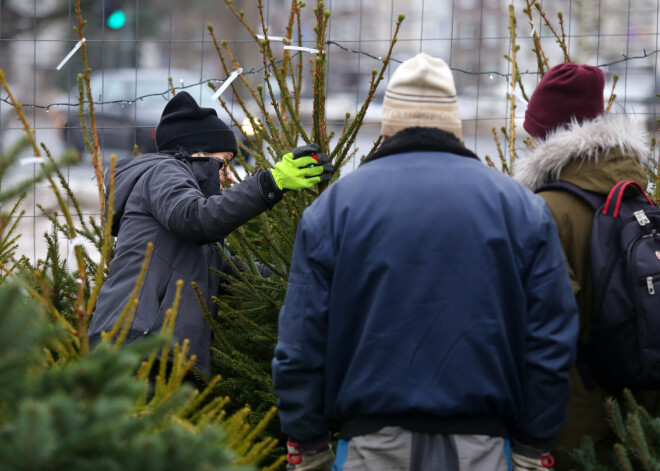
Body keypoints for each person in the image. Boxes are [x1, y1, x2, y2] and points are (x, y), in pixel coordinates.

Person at [272, 53, 579, 471]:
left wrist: (307, 442)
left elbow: (301, 340)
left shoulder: (335, 209)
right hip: (484, 445)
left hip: (371, 445)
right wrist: (532, 442)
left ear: (388, 122)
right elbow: (550, 337)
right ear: (452, 120)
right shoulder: (520, 208)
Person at [88, 91, 332, 376]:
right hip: (136, 343)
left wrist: (297, 280)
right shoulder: (163, 171)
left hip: (157, 348)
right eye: (225, 162)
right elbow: (194, 219)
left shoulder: (177, 200)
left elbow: (227, 272)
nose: (229, 176)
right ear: (198, 155)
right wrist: (270, 183)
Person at [514, 62, 660, 469]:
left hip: (569, 428)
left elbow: (538, 330)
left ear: (545, 136)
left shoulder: (545, 211)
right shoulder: (639, 200)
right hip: (639, 418)